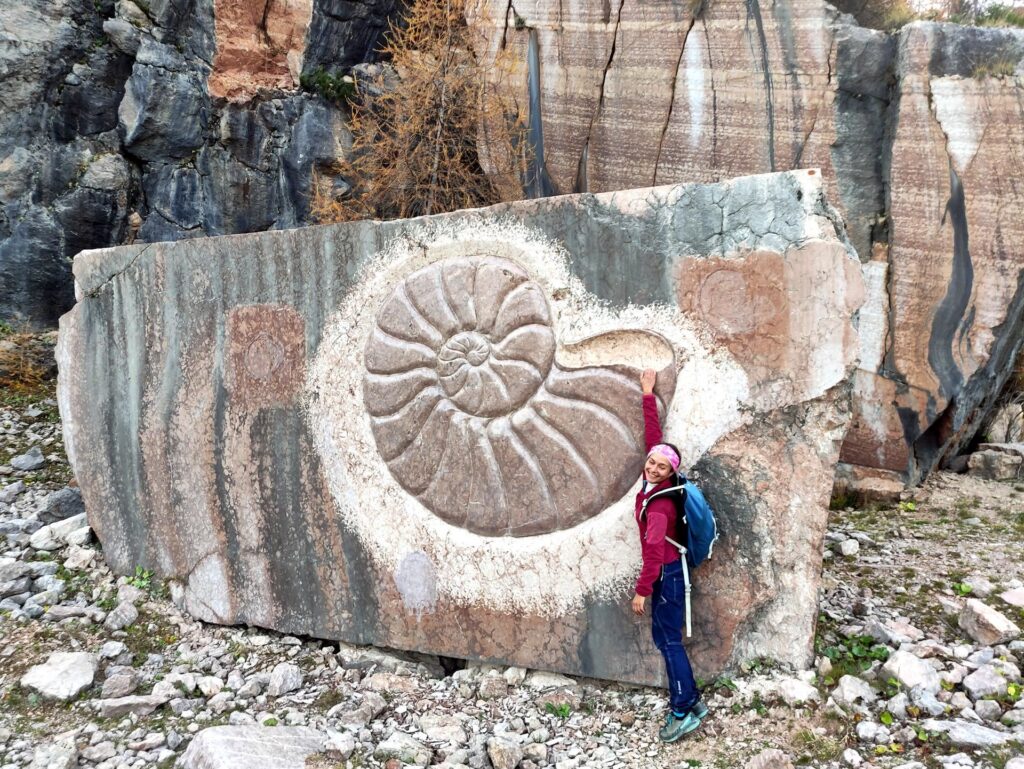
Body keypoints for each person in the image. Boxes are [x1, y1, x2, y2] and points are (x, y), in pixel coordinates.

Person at [632, 368, 708, 742]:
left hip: (666, 577)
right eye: (652, 462)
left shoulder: (660, 507)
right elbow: (654, 440)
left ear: (671, 472)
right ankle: (693, 701)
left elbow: (652, 552)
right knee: (668, 638)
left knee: (668, 641)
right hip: (669, 572)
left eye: (661, 466)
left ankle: (683, 709)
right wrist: (648, 393)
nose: (652, 466)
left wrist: (642, 591)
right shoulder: (661, 483)